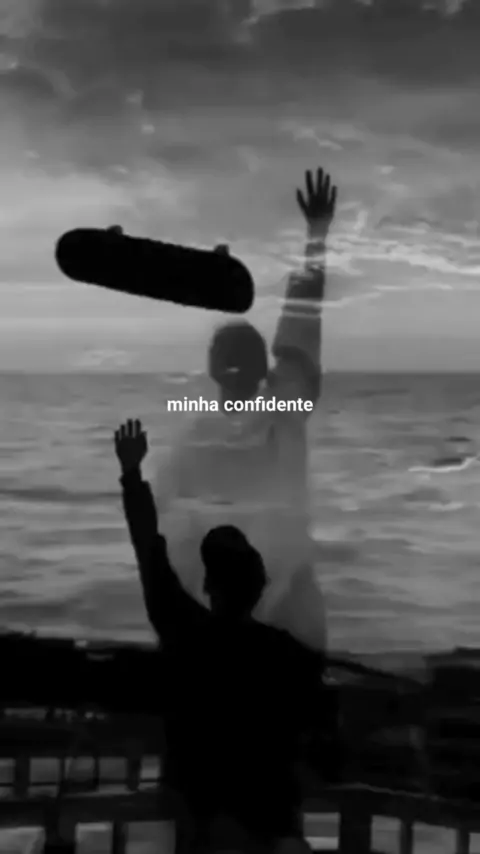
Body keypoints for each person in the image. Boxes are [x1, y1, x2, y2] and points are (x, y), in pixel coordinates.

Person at [115, 419, 329, 854]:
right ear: (259, 587)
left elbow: (148, 549)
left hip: (205, 823)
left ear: (210, 585)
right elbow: (315, 727)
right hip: (268, 823)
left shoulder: (186, 633)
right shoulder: (287, 656)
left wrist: (132, 473)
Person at [152, 167, 337, 652]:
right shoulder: (281, 411)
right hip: (281, 633)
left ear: (212, 369)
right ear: (263, 369)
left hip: (216, 635)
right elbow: (301, 328)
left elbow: (155, 537)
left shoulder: (200, 434)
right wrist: (316, 236)